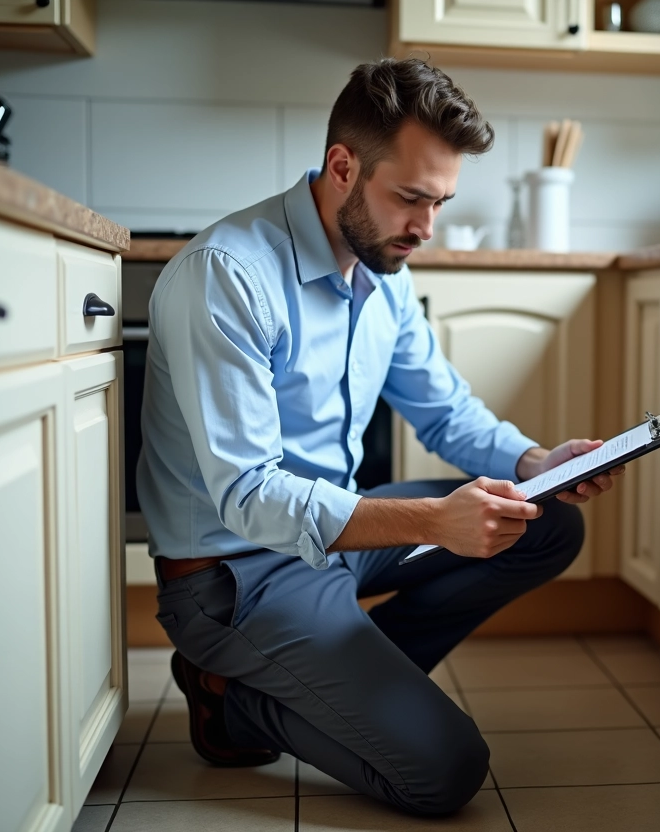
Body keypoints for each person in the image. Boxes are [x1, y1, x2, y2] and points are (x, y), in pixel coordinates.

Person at [136, 57, 622, 817]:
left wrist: (535, 461)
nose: (425, 229)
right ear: (342, 166)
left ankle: (350, 679)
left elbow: (443, 409)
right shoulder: (229, 274)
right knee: (445, 772)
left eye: (441, 202)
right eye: (410, 199)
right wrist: (435, 522)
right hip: (235, 577)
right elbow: (249, 495)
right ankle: (232, 698)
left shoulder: (383, 271)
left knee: (544, 520)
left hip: (334, 541)